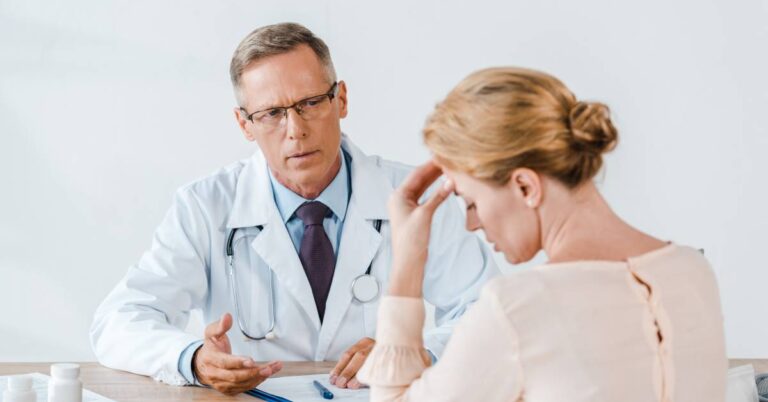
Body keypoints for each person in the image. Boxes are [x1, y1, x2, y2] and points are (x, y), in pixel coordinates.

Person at [89, 23, 498, 396]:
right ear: (244, 124)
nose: (295, 130)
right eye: (271, 114)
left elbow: (488, 311)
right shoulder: (205, 206)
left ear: (341, 99)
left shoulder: (415, 197)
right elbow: (120, 319)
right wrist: (193, 358)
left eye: (310, 103)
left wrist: (413, 351)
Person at [357, 67, 727, 401]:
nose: (471, 223)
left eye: (470, 201)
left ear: (525, 186)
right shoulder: (693, 271)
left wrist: (408, 256)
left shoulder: (517, 309)